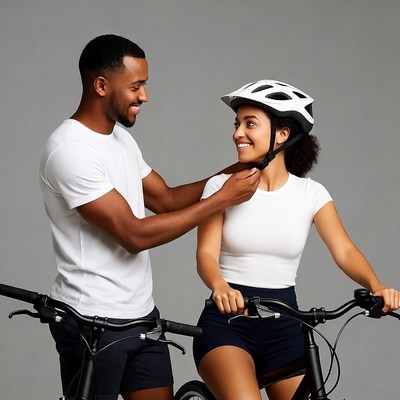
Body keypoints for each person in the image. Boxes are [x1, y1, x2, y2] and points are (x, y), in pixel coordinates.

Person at [39, 34, 260, 400]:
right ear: (101, 85)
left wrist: (237, 169)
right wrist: (221, 199)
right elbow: (133, 234)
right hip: (90, 321)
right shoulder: (70, 151)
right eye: (136, 86)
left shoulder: (120, 140)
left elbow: (167, 199)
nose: (145, 96)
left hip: (142, 316)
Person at [192, 79, 400, 400]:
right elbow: (206, 254)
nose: (237, 133)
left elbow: (343, 249)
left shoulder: (311, 194)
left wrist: (376, 286)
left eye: (250, 124)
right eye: (237, 124)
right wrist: (220, 287)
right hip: (228, 323)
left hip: (286, 327)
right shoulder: (222, 186)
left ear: (282, 134)